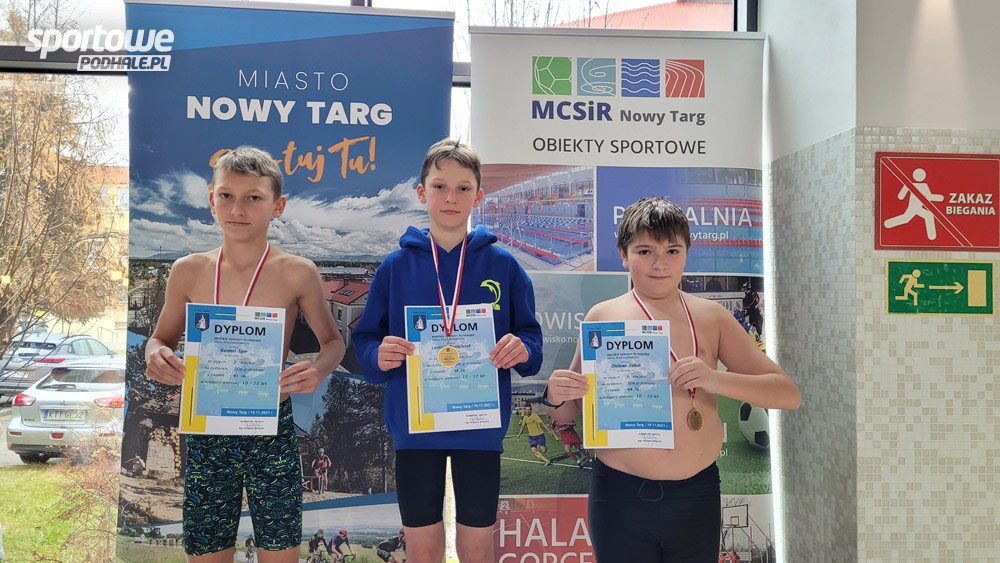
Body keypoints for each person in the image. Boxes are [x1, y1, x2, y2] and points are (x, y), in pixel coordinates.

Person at [545, 197, 800, 563]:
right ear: (623, 254)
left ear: (686, 253)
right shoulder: (603, 317)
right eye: (644, 251)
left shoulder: (712, 317)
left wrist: (715, 379)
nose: (659, 263)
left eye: (672, 250)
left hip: (694, 496)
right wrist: (556, 395)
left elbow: (787, 394)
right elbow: (567, 413)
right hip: (618, 494)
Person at [144, 146, 346, 562]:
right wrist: (155, 355)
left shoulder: (298, 271)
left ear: (277, 206)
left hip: (271, 428)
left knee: (280, 553)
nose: (238, 208)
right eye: (226, 195)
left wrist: (317, 369)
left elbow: (333, 343)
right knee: (206, 553)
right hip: (207, 429)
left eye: (254, 197)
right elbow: (159, 338)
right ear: (211, 200)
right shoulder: (188, 270)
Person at [352, 138, 543, 563]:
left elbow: (532, 341)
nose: (451, 197)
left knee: (476, 543)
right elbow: (364, 341)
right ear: (422, 193)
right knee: (422, 545)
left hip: (479, 427)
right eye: (440, 186)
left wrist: (522, 350)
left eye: (462, 188)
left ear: (479, 195)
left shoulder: (504, 265)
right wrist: (376, 355)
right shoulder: (394, 267)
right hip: (417, 427)